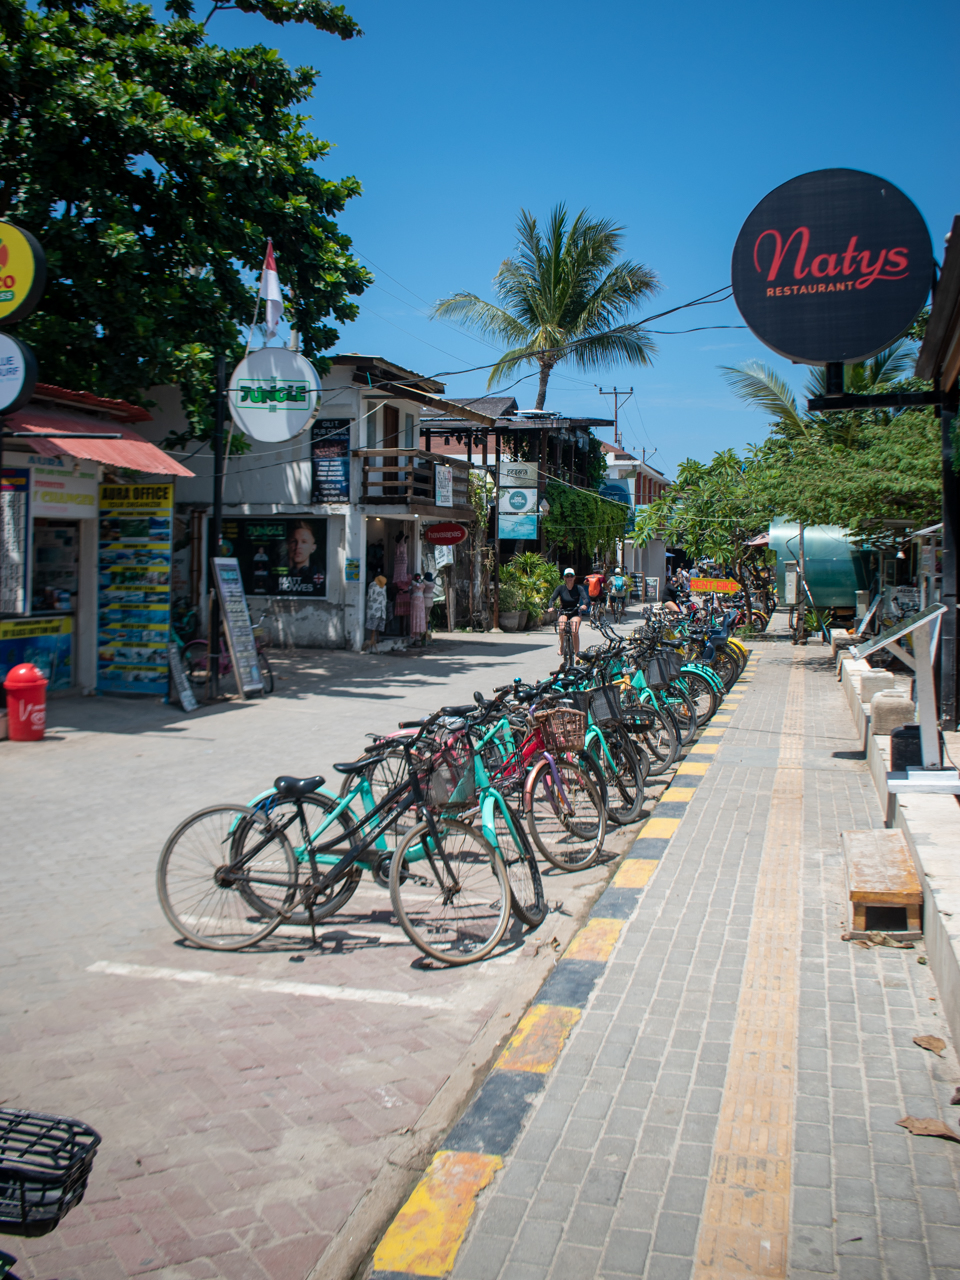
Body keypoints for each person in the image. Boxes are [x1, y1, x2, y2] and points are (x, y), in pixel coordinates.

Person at [547, 569, 589, 657]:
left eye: (571, 576)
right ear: (564, 578)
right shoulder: (560, 588)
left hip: (575, 612)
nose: (569, 578)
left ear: (574, 577)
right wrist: (551, 607)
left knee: (574, 631)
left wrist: (585, 605)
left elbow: (586, 599)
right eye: (567, 576)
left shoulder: (578, 588)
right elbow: (552, 599)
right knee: (562, 628)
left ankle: (577, 654)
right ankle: (562, 646)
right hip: (563, 611)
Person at [283, 521, 325, 594]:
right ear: (287, 545)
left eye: (304, 542)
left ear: (313, 547)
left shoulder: (319, 575)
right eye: (294, 541)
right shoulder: (280, 574)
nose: (298, 546)